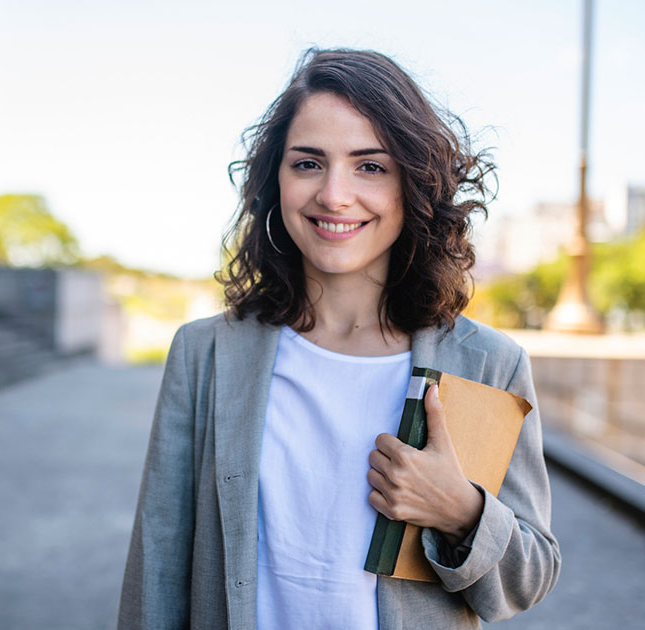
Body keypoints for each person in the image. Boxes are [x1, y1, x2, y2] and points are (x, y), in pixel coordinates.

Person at [119, 48, 560, 629]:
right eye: (307, 163)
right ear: (274, 179)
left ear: (413, 182)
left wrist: (461, 511)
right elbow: (158, 566)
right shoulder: (206, 355)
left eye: (370, 166)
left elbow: (525, 583)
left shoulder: (486, 363)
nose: (333, 194)